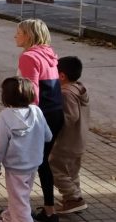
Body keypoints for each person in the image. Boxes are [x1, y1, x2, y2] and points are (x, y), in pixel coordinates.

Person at [14, 19, 63, 222]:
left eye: (19, 32)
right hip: (56, 114)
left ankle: (21, 211)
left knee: (29, 163)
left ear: (29, 35)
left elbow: (31, 92)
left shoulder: (29, 57)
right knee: (42, 162)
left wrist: (21, 120)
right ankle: (48, 209)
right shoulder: (50, 55)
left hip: (39, 115)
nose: (15, 36)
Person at [0, 77, 52, 222]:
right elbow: (48, 136)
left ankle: (19, 217)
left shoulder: (5, 116)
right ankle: (10, 216)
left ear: (6, 96)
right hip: (33, 164)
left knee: (20, 201)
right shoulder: (37, 111)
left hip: (15, 167)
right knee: (21, 196)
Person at [49, 56, 89, 214]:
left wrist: (53, 124)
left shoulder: (66, 93)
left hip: (66, 142)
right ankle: (74, 198)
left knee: (55, 170)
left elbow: (70, 117)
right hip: (78, 141)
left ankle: (73, 198)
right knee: (71, 172)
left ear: (62, 76)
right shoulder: (79, 88)